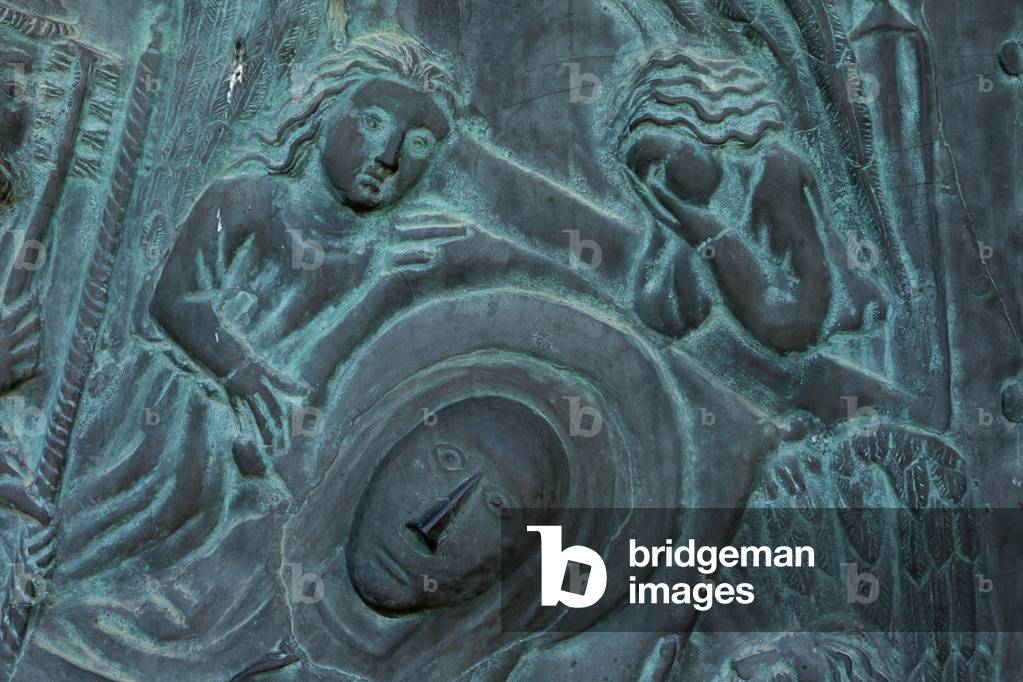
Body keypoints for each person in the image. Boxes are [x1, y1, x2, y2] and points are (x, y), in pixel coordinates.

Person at [150, 32, 461, 454]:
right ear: (325, 114)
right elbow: (174, 300)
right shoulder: (247, 201)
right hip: (165, 421)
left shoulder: (378, 258)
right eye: (373, 122)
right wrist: (242, 374)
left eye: (419, 143)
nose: (390, 157)